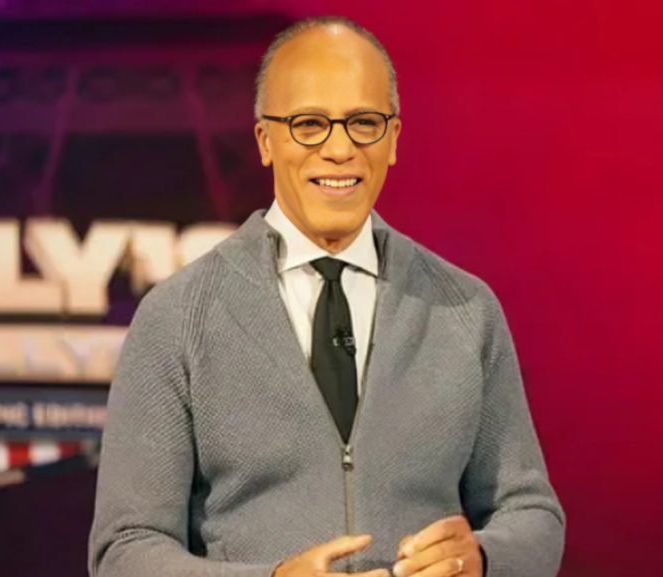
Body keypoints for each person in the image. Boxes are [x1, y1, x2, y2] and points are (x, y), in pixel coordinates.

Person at [88, 16, 565, 577]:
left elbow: (533, 516)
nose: (340, 149)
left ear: (393, 139)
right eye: (309, 124)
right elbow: (125, 550)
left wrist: (481, 558)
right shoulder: (177, 317)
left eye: (364, 123)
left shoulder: (465, 309)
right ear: (265, 141)